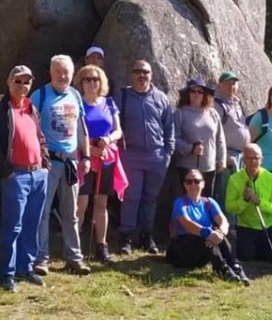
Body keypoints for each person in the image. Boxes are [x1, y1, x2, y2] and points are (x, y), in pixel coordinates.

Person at [0, 65, 50, 292]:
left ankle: (26, 268)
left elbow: (40, 137)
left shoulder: (31, 107)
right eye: (18, 81)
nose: (22, 86)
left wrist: (45, 164)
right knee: (13, 226)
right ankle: (6, 274)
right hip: (16, 175)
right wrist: (7, 172)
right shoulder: (0, 108)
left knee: (32, 225)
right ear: (9, 82)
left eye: (27, 82)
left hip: (38, 174)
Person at [32, 55, 92, 276]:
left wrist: (86, 156)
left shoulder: (75, 95)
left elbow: (81, 129)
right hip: (47, 163)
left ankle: (73, 258)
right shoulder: (40, 95)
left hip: (71, 162)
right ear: (50, 72)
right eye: (58, 71)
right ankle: (41, 258)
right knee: (42, 212)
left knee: (71, 213)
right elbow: (31, 127)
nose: (63, 76)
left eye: (66, 71)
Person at [117, 60, 175, 255]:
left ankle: (146, 236)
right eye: (138, 71)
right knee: (131, 197)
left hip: (156, 157)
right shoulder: (122, 97)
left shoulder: (161, 98)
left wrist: (167, 155)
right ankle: (126, 237)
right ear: (131, 74)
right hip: (130, 156)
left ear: (152, 75)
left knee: (150, 198)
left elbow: (169, 129)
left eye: (146, 72)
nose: (142, 75)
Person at [73, 64, 127, 265]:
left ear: (101, 82)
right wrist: (90, 149)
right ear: (80, 83)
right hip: (84, 157)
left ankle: (101, 246)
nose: (91, 83)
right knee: (82, 202)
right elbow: (74, 132)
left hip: (106, 156)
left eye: (95, 79)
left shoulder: (109, 103)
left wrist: (108, 140)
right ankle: (74, 246)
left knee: (101, 202)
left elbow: (118, 130)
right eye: (86, 79)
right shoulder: (77, 104)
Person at [167, 169, 250, 285]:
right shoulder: (179, 203)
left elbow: (223, 221)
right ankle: (223, 270)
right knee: (205, 237)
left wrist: (220, 233)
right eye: (189, 181)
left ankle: (236, 268)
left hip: (204, 249)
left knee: (218, 234)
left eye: (196, 181)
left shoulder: (209, 202)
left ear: (203, 184)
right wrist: (208, 233)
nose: (193, 184)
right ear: (184, 184)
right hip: (183, 250)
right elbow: (188, 224)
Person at [225, 144, 272, 264]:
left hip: (268, 226)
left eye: (256, 158)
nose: (253, 162)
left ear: (261, 160)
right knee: (247, 259)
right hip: (246, 227)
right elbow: (229, 207)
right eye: (249, 158)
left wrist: (259, 202)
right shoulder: (234, 179)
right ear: (243, 160)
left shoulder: (270, 178)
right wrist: (244, 200)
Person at [172, 79, 227, 197]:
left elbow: (220, 139)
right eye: (193, 91)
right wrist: (190, 148)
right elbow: (173, 139)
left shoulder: (212, 113)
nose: (196, 94)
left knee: (207, 201)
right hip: (186, 167)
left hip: (209, 167)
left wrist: (221, 160)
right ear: (188, 93)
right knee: (187, 201)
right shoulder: (180, 113)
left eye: (200, 92)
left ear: (205, 95)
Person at [212, 71, 250, 215]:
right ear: (220, 85)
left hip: (240, 156)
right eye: (227, 83)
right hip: (227, 155)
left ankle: (234, 225)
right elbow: (212, 133)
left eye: (234, 83)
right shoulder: (218, 105)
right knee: (226, 193)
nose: (231, 86)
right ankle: (226, 227)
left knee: (238, 192)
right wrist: (223, 157)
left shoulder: (236, 103)